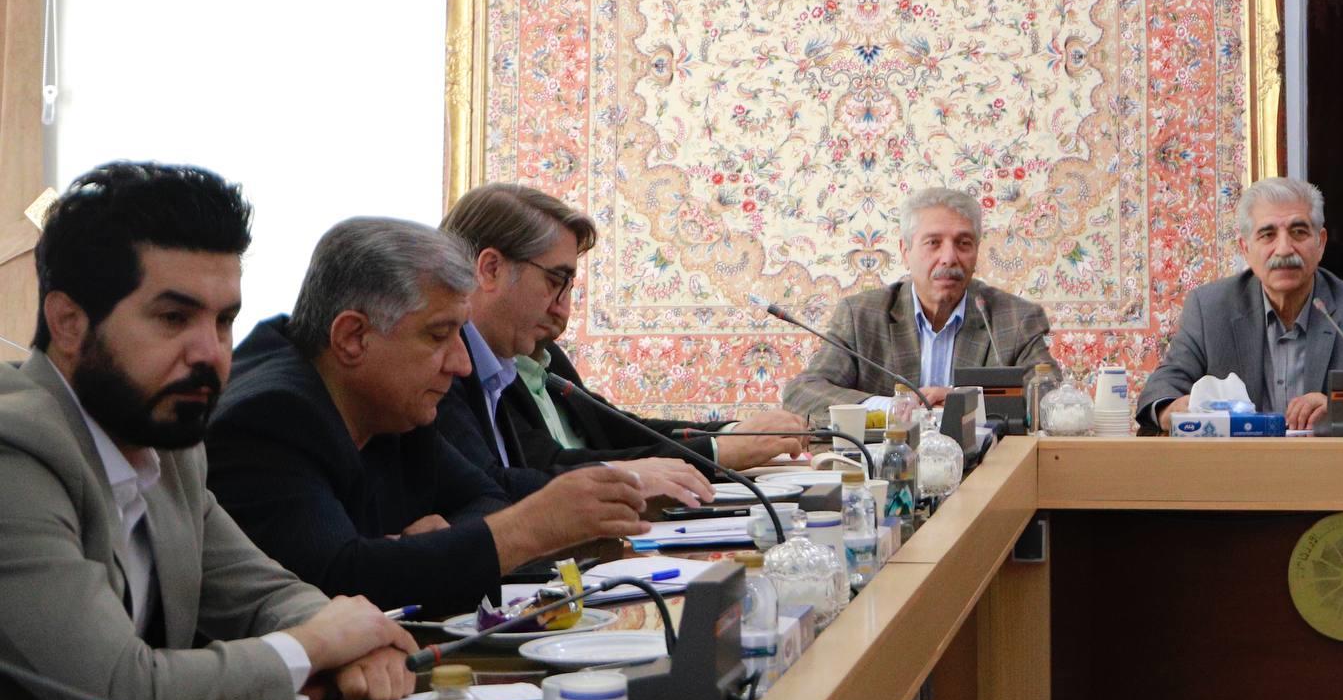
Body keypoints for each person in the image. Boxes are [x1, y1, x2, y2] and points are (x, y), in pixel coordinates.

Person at [0, 163, 421, 700]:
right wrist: (315, 647)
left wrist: (350, 646)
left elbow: (264, 594)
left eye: (224, 321)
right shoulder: (14, 453)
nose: (211, 353)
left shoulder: (169, 444)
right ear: (69, 322)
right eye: (174, 318)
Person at [207, 218, 653, 617]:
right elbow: (335, 582)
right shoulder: (267, 418)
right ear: (353, 337)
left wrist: (425, 549)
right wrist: (532, 528)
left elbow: (486, 497)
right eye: (440, 335)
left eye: (460, 333)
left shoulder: (392, 404)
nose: (462, 364)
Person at [440, 182, 801, 489]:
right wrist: (716, 452)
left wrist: (731, 435)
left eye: (569, 287)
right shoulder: (450, 370)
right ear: (491, 269)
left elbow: (619, 429)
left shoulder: (536, 354)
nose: (562, 307)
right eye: (555, 281)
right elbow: (531, 473)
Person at [1140, 176, 1343, 433]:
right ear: (1245, 249)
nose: (1285, 249)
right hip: (1238, 469)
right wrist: (1176, 411)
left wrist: (1342, 407)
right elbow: (1160, 391)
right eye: (1267, 235)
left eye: (1298, 232)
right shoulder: (1210, 308)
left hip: (1330, 468)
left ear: (1320, 243)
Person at [782, 186, 1059, 421]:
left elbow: (1050, 401)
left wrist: (964, 402)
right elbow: (802, 393)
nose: (949, 257)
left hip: (983, 464)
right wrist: (889, 409)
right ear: (906, 251)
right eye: (933, 243)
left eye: (963, 243)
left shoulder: (1015, 318)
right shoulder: (861, 316)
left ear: (976, 252)